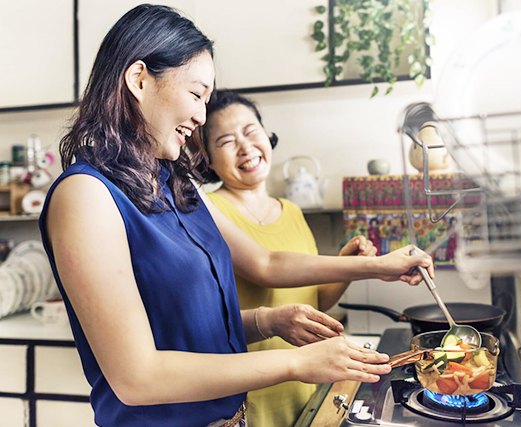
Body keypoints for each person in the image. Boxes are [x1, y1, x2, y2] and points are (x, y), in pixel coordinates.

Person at [39, 5, 435, 427]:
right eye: (195, 95)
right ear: (139, 79)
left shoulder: (177, 185)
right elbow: (138, 377)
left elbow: (262, 264)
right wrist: (296, 363)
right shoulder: (86, 195)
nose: (201, 116)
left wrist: (273, 318)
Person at [202, 89, 378, 427]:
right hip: (247, 397)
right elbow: (266, 268)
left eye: (251, 131)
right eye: (225, 141)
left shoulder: (293, 212)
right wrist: (371, 266)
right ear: (207, 159)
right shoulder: (208, 210)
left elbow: (313, 305)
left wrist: (346, 266)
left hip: (306, 387)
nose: (245, 146)